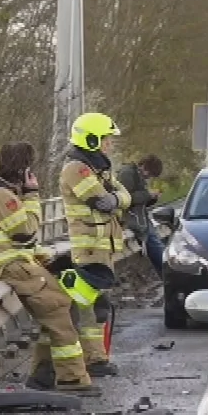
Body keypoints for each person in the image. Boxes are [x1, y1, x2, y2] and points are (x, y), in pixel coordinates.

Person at [0, 143, 99, 394]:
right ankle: (71, 379)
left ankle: (43, 375)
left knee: (56, 309)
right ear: (22, 168)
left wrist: (41, 256)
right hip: (8, 265)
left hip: (10, 262)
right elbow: (25, 232)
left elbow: (19, 238)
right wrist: (31, 195)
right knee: (58, 308)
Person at [59, 112, 129, 377]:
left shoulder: (98, 167)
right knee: (90, 306)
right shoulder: (77, 169)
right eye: (105, 139)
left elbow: (123, 196)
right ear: (90, 140)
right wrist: (117, 198)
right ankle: (95, 360)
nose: (109, 144)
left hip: (102, 245)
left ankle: (97, 357)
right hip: (89, 247)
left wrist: (118, 198)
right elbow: (102, 201)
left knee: (99, 304)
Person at [115, 154, 165, 274]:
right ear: (143, 166)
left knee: (157, 246)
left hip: (140, 218)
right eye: (149, 173)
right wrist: (148, 195)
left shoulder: (138, 176)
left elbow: (141, 202)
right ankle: (168, 273)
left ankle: (167, 274)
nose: (148, 177)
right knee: (156, 247)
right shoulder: (127, 174)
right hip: (131, 219)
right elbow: (126, 199)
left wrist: (153, 198)